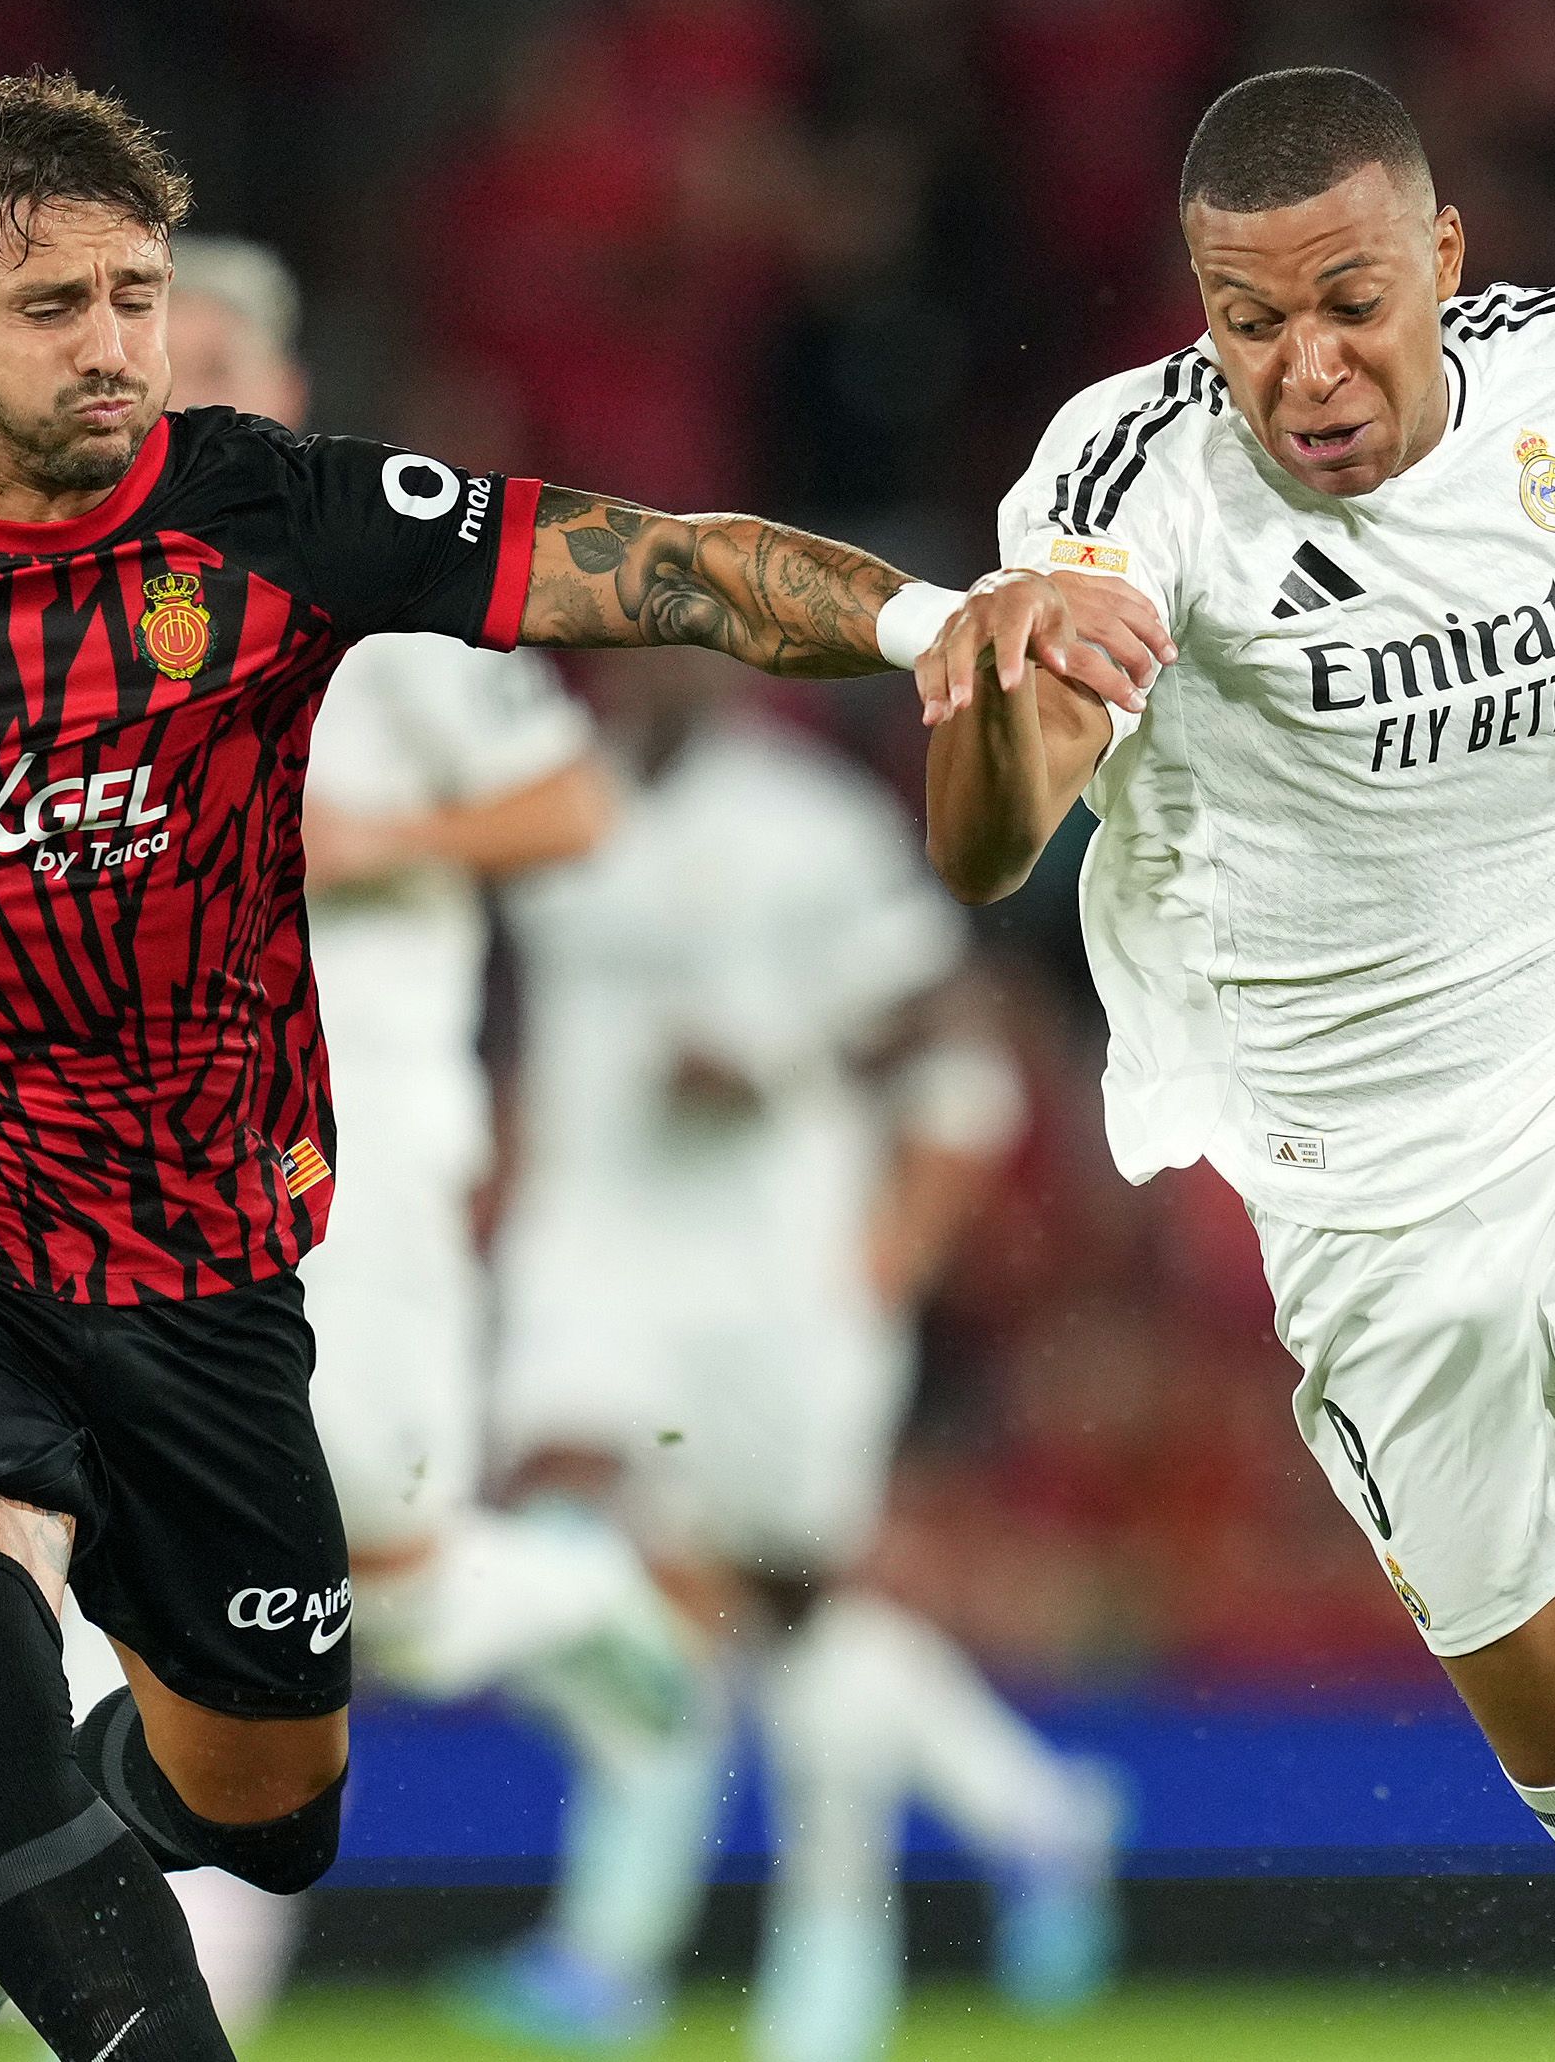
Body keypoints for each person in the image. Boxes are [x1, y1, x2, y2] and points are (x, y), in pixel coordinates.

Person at [0, 73, 1150, 2062]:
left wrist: (939, 614)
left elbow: (648, 562)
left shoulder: (266, 517)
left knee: (269, 1800)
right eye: (52, 309)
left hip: (209, 1263)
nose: (112, 349)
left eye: (133, 296)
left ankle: (67, 1819)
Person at [916, 68, 1555, 2062]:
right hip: (1378, 1209)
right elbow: (984, 847)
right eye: (1248, 322)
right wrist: (1002, 692)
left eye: (1350, 304)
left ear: (1443, 266)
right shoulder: (1121, 486)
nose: (1303, 368)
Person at [42, 232, 706, 2036]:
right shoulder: (79, 621)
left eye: (225, 367)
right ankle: (44, 1857)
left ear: (293, 391)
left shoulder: (365, 590)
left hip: (368, 1151)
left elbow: (569, 801)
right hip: (146, 1161)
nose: (190, 401)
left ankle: (584, 1600)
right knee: (112, 1534)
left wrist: (355, 850)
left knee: (391, 1599)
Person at [470, 650, 1124, 2062]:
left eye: (690, 625)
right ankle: (1016, 1822)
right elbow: (545, 1026)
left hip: (773, 1283)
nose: (662, 653)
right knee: (566, 1546)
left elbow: (948, 1004)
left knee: (789, 1620)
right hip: (592, 1272)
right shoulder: (552, 804)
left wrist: (782, 1065)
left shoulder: (812, 823)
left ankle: (808, 1965)